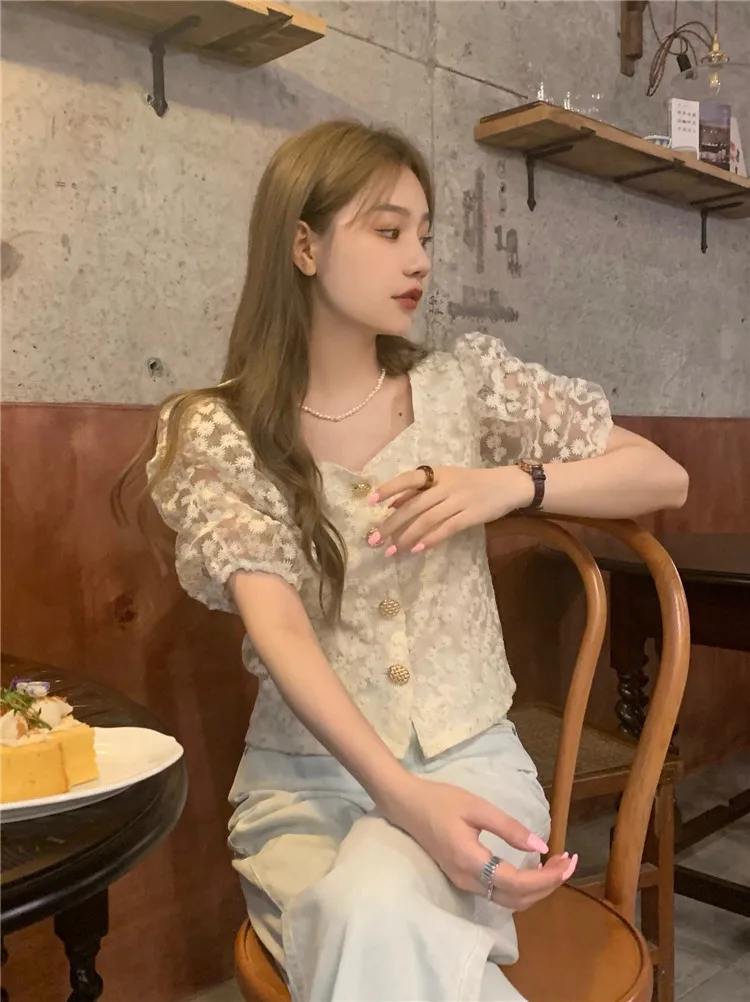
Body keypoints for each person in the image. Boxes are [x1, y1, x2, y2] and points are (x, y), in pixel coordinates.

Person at [115, 120, 689, 1002]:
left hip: (474, 766)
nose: (418, 259)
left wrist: (510, 485)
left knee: (368, 910)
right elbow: (279, 630)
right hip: (308, 790)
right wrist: (401, 797)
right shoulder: (219, 432)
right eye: (387, 231)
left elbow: (663, 476)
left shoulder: (466, 389)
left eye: (424, 233)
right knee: (379, 912)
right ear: (304, 246)